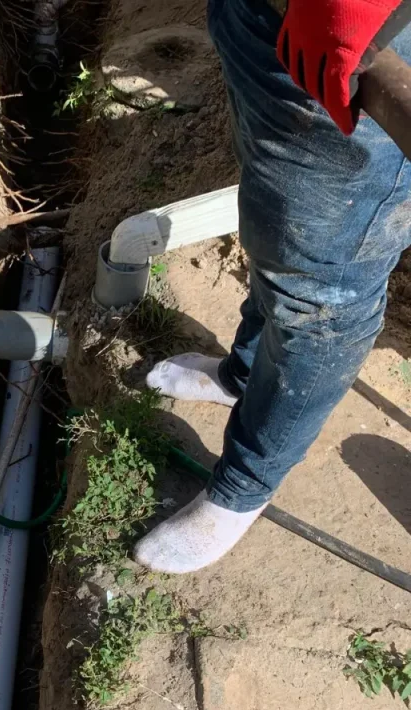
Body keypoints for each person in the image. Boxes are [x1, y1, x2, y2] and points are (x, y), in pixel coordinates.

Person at [134, 0, 411, 574]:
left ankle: (244, 486)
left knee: (322, 299)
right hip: (276, 25)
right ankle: (243, 374)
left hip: (374, 41)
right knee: (281, 228)